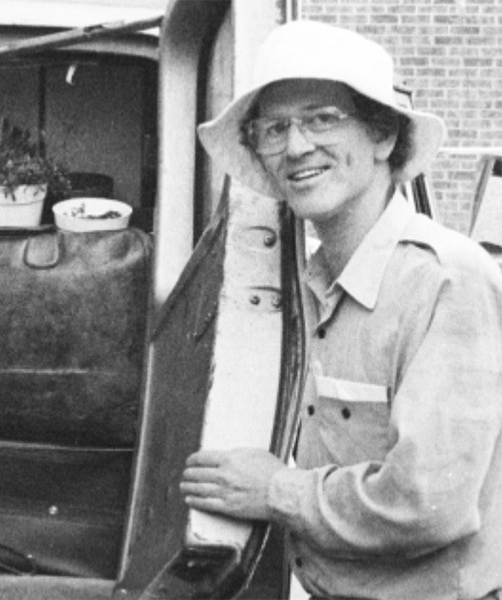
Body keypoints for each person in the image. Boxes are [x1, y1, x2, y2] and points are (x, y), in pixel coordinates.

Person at [181, 20, 502, 600]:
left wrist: (278, 489)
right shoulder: (307, 285)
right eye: (274, 128)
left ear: (383, 137)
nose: (296, 146)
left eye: (322, 118)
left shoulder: (447, 280)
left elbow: (428, 503)